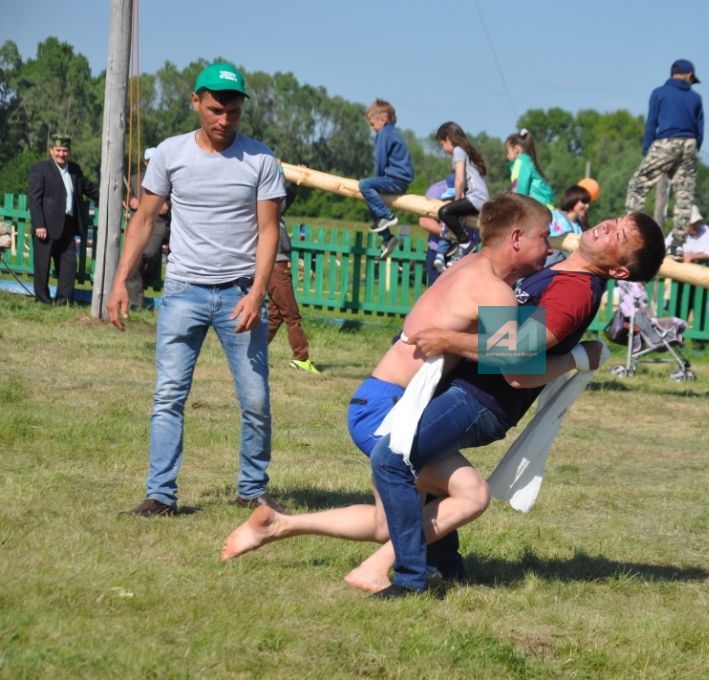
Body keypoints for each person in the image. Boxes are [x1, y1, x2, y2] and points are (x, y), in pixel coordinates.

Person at [220, 193, 556, 584]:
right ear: (516, 238)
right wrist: (578, 355)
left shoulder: (469, 266)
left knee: (385, 523)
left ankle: (276, 525)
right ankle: (385, 570)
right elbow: (517, 365)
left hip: (377, 400)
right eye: (544, 237)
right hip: (390, 409)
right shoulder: (490, 288)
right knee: (472, 494)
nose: (550, 248)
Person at [366, 211, 666, 597]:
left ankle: (410, 579)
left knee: (392, 459)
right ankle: (444, 566)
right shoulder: (561, 273)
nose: (609, 225)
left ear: (621, 271)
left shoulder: (575, 292)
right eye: (616, 220)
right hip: (472, 392)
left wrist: (449, 341)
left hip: (480, 402)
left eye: (620, 235)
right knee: (429, 471)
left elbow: (519, 357)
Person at [108, 62, 287, 516]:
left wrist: (257, 292)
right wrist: (121, 281)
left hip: (239, 294)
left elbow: (269, 231)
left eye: (233, 112)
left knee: (255, 399)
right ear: (195, 102)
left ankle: (252, 488)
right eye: (215, 110)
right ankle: (161, 495)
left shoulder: (261, 160)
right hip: (183, 291)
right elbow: (145, 218)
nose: (224, 120)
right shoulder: (170, 154)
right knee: (169, 394)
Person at [625, 58, 703, 251]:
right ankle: (678, 244)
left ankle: (632, 232)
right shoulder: (695, 98)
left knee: (638, 184)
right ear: (689, 76)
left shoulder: (659, 93)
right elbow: (700, 130)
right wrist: (692, 152)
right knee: (684, 194)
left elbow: (652, 123)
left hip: (666, 141)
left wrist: (647, 150)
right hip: (690, 143)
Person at [27, 133, 100, 305]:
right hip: (45, 227)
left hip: (68, 225)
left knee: (68, 265)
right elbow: (34, 199)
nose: (61, 154)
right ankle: (43, 300)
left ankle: (64, 301)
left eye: (65, 150)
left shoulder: (75, 169)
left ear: (69, 152)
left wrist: (114, 196)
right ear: (51, 150)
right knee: (42, 266)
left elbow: (90, 188)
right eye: (58, 150)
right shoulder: (40, 169)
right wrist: (39, 224)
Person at [268, 185, 319, 374]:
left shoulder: (270, 210)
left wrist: (297, 185)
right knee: (292, 315)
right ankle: (301, 358)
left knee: (275, 315)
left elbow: (284, 200)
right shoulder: (266, 208)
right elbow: (278, 199)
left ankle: (253, 354)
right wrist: (279, 174)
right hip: (275, 266)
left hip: (277, 265)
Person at [360, 99, 414, 260]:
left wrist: (377, 178)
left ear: (383, 120)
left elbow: (380, 160)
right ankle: (387, 238)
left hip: (394, 179)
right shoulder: (394, 133)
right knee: (372, 202)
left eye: (372, 124)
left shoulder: (384, 134)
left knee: (364, 185)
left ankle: (388, 217)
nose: (372, 129)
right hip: (401, 180)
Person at [434, 121, 490, 271]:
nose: (443, 149)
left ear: (448, 139)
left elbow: (459, 180)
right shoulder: (465, 152)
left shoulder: (458, 151)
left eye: (441, 143)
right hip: (479, 198)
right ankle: (462, 242)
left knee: (444, 212)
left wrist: (457, 202)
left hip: (476, 198)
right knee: (451, 213)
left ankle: (465, 242)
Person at [124, 147, 171, 308]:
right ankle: (135, 302)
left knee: (150, 253)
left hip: (158, 224)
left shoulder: (168, 179)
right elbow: (126, 196)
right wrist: (130, 201)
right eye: (150, 161)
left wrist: (167, 205)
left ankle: (146, 278)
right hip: (139, 222)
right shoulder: (135, 178)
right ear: (145, 162)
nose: (152, 164)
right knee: (135, 257)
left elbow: (170, 204)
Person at [505, 129, 554, 207]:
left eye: (507, 152)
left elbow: (520, 193)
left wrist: (516, 208)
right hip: (546, 208)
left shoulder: (520, 163)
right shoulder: (529, 162)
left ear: (516, 149)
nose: (507, 156)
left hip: (538, 211)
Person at [546, 184, 592, 266]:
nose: (587, 206)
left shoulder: (579, 225)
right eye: (584, 202)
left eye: (588, 203)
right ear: (573, 199)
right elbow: (566, 249)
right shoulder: (558, 218)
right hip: (550, 268)